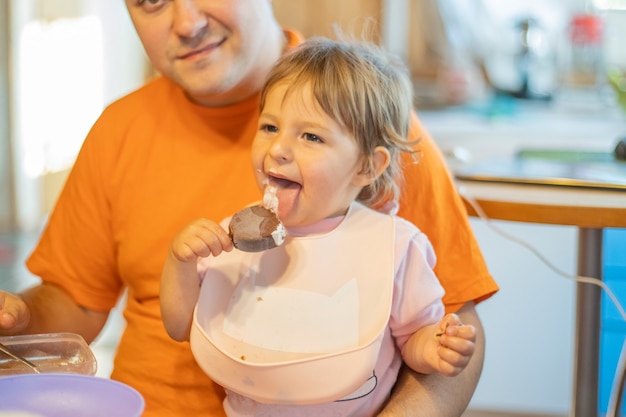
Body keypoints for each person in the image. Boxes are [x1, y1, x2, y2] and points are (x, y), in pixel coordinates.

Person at [0, 1, 498, 416]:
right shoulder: (119, 129)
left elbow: (450, 322)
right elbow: (78, 300)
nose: (188, 23)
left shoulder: (366, 119)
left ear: (369, 166)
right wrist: (19, 318)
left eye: (308, 137)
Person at [160, 36, 477, 417]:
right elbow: (180, 325)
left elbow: (412, 337)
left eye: (311, 136)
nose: (278, 148)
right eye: (270, 127)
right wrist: (179, 261)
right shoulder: (234, 237)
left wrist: (435, 347)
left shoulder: (393, 246)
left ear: (366, 167)